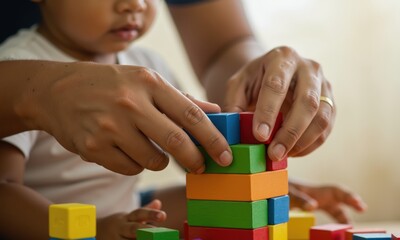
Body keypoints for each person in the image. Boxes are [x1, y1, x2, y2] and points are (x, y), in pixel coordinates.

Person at [0, 0, 365, 239]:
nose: (134, 6)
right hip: (50, 227)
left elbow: (209, 154)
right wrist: (94, 230)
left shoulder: (147, 64)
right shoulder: (17, 62)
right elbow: (5, 190)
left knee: (203, 201)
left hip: (126, 216)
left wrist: (266, 185)